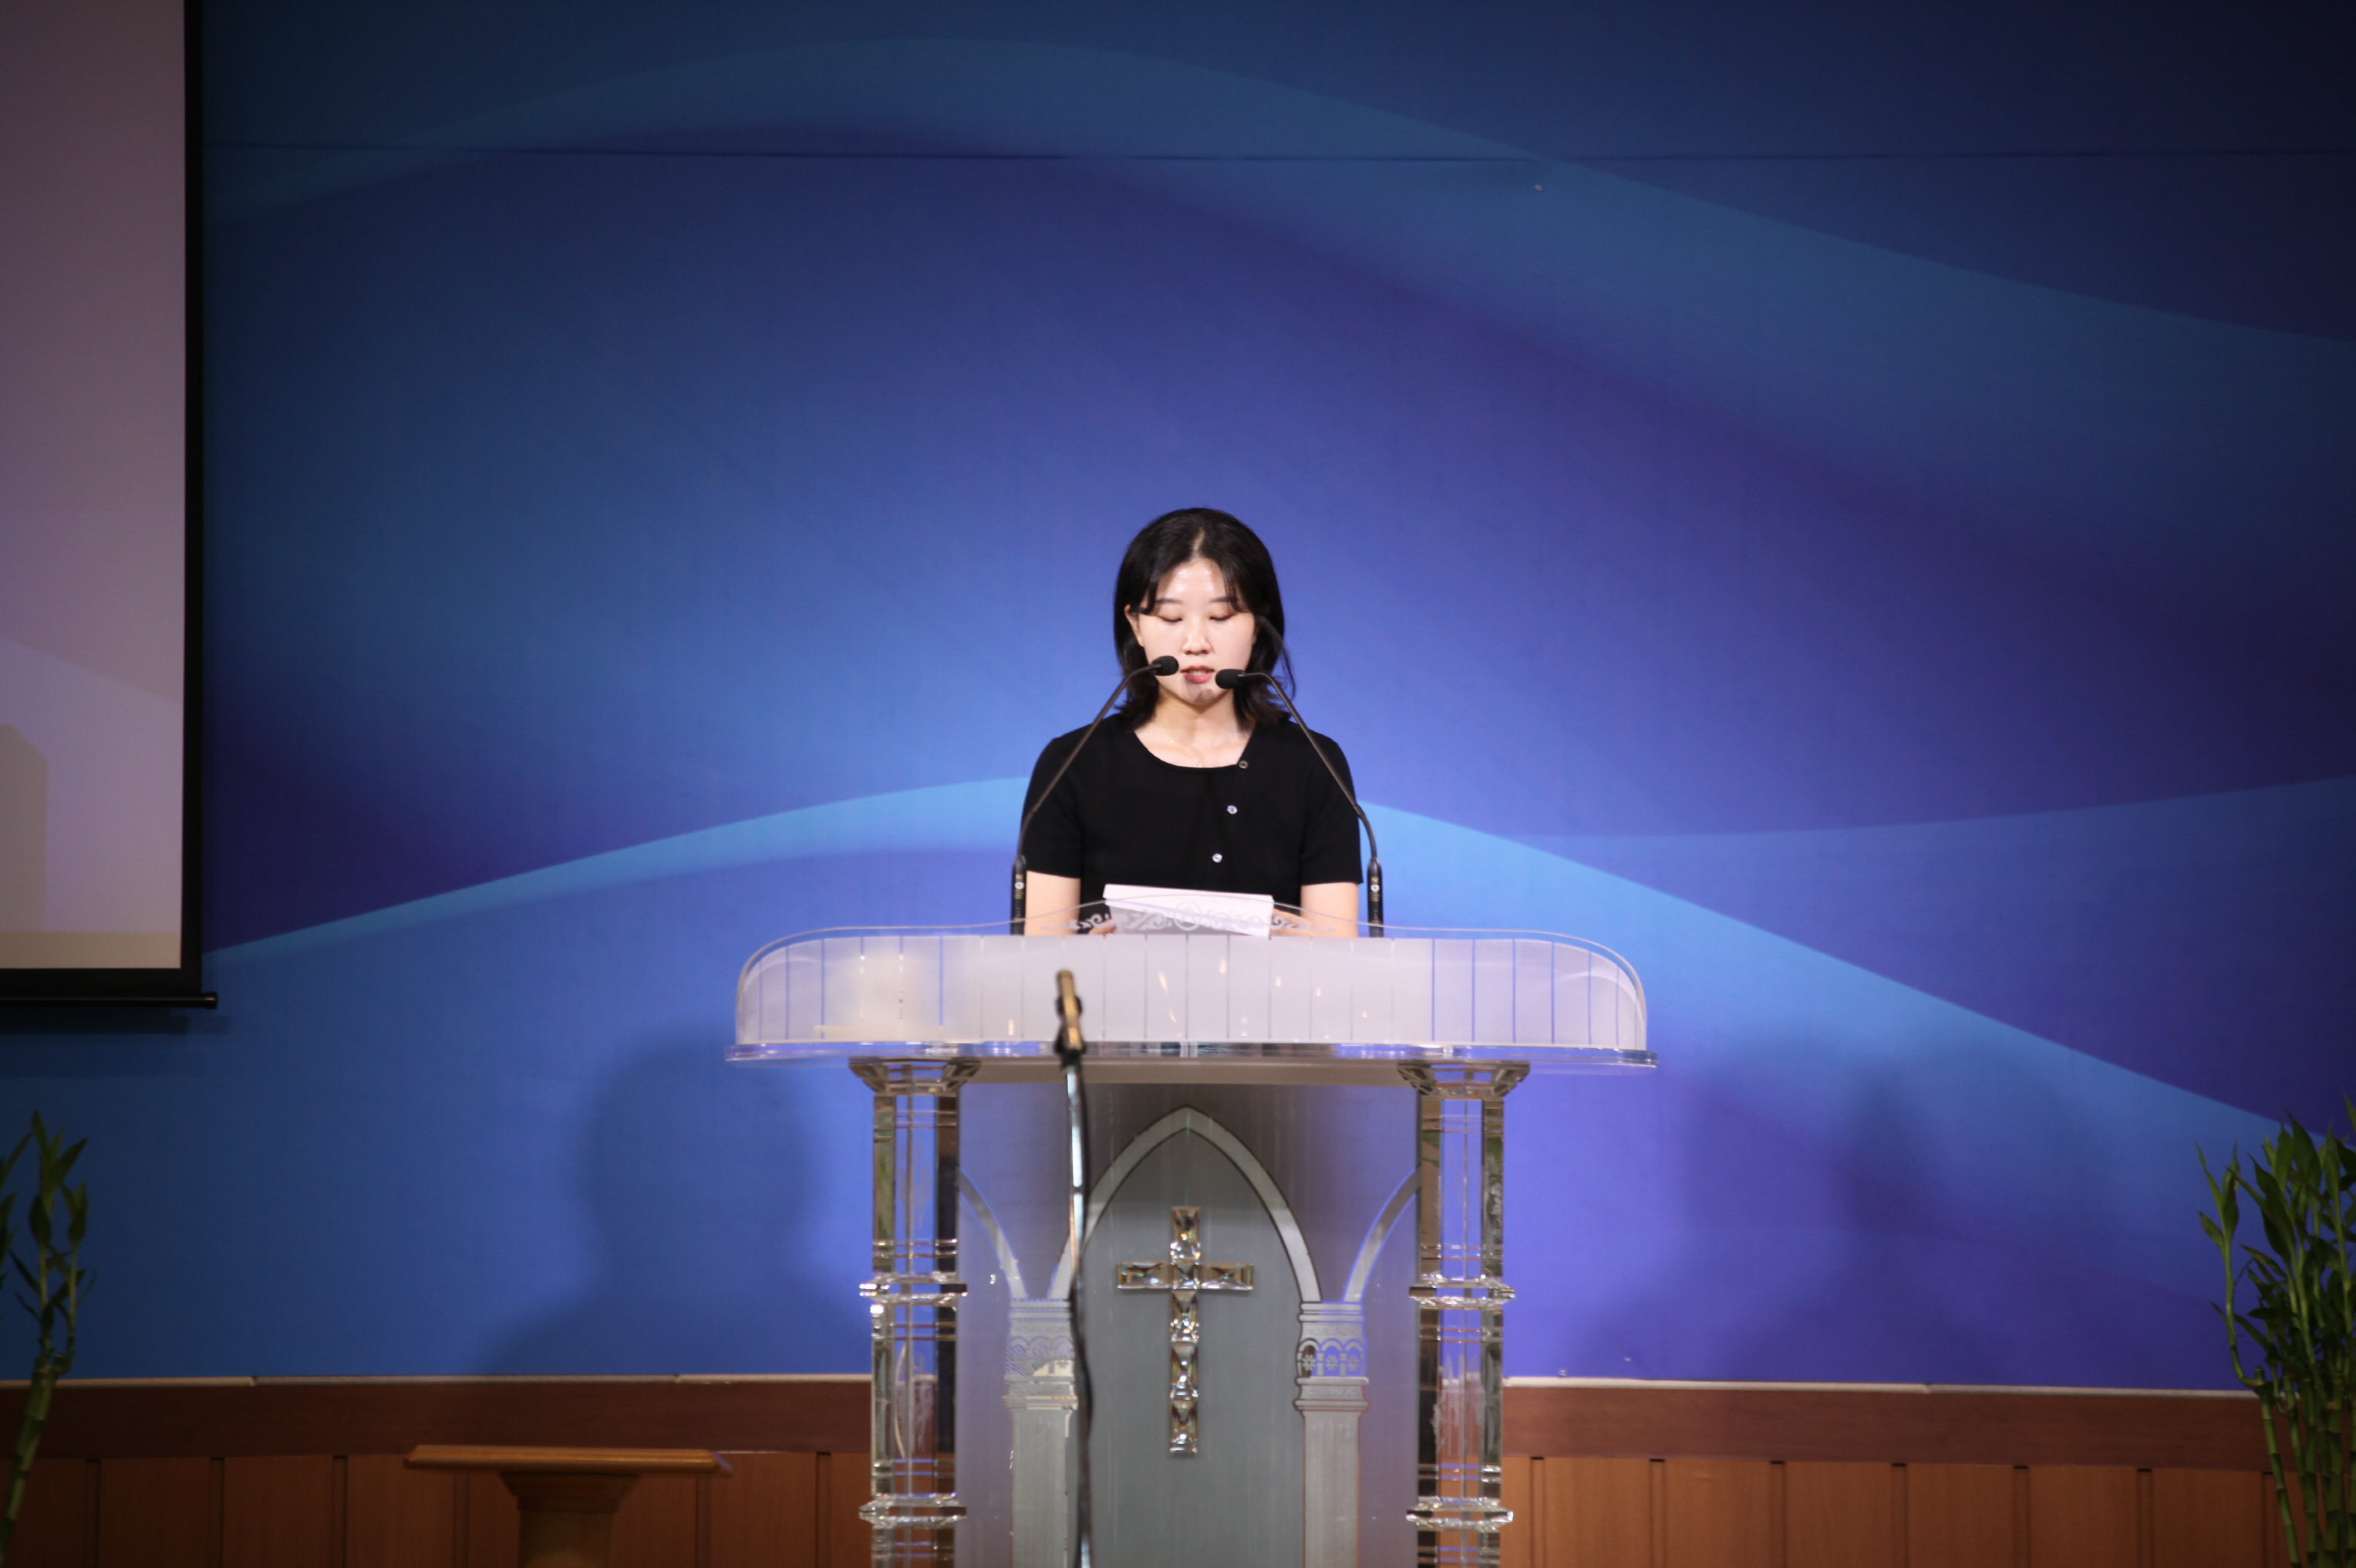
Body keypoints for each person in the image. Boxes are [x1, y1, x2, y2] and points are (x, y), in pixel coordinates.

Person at [1020, 508, 1363, 937]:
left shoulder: (1313, 763)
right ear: (1136, 625)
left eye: (1220, 618)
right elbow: (1042, 956)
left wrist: (1297, 938)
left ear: (1258, 626)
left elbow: (1337, 954)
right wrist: (1089, 954)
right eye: (1171, 619)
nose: (1196, 643)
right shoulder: (1072, 764)